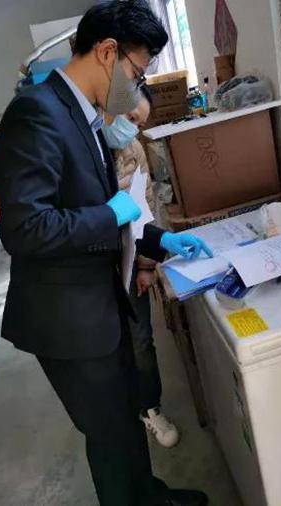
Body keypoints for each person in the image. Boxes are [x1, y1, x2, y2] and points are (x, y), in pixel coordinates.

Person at [0, 1, 212, 505]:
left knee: (125, 419)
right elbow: (24, 229)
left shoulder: (83, 115)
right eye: (137, 73)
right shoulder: (36, 112)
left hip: (99, 304)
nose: (136, 88)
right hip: (67, 318)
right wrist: (108, 215)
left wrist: (157, 240)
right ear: (108, 52)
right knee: (110, 437)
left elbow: (110, 209)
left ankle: (149, 496)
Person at [102, 87, 179, 448]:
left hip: (131, 258)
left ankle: (150, 407)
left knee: (141, 339)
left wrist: (147, 266)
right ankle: (118, 410)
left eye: (139, 124)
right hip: (94, 269)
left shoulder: (133, 149)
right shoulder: (82, 146)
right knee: (107, 345)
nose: (132, 129)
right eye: (130, 119)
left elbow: (145, 206)